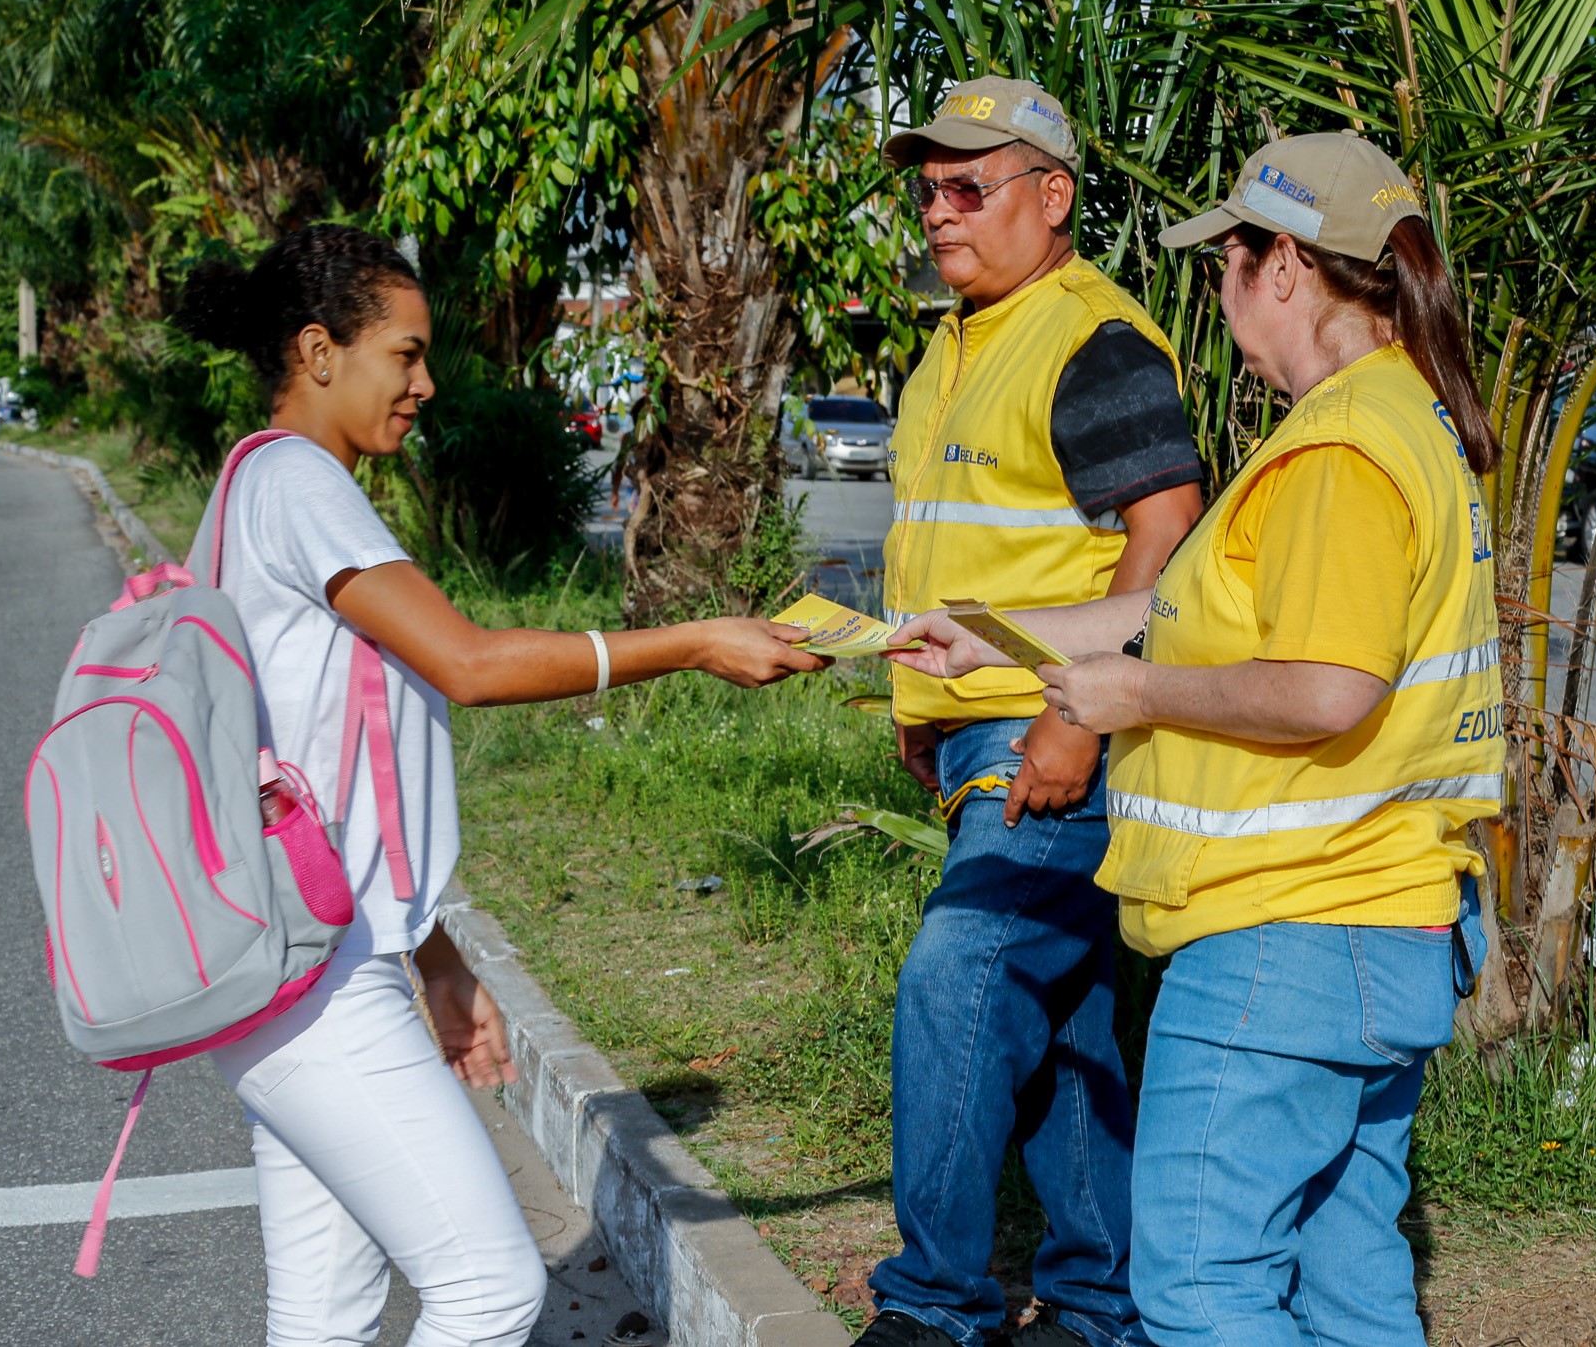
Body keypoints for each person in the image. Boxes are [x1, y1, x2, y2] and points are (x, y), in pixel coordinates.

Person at [890, 132, 1502, 1347]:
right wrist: (993, 637)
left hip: (1285, 936)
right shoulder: (1394, 420)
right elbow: (1187, 610)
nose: (1215, 292)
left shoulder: (1337, 450)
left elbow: (1329, 689)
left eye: (1225, 259)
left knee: (1200, 1287)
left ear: (1284, 265)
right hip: (1385, 927)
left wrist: (1134, 701)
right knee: (1344, 1288)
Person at [172, 225, 827, 1347]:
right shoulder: (298, 481)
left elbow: (320, 774)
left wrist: (434, 955)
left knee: (323, 1315)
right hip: (319, 990)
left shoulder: (250, 483)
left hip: (305, 962)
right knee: (488, 1291)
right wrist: (689, 641)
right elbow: (467, 665)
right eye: (405, 356)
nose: (425, 385)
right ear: (319, 352)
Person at [862, 76, 1204, 1347]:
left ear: (1051, 195)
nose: (940, 214)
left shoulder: (1089, 336)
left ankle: (935, 1307)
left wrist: (1075, 720)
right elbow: (950, 553)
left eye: (969, 186)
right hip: (974, 730)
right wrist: (915, 706)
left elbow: (1163, 535)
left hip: (1050, 732)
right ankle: (1097, 1301)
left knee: (957, 977)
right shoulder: (958, 342)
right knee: (1060, 1019)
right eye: (928, 190)